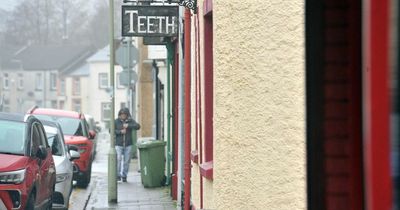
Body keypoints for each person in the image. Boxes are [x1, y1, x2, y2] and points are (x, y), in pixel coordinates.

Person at [115, 107, 140, 182]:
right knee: (118, 159)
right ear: (119, 115)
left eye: (124, 115)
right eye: (121, 114)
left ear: (127, 115)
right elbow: (111, 130)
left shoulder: (130, 121)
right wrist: (120, 132)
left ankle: (124, 175)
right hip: (118, 144)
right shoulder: (116, 121)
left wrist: (128, 126)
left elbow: (138, 126)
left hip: (128, 144)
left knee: (126, 161)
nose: (123, 116)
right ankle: (118, 175)